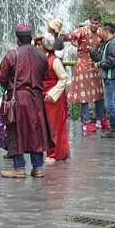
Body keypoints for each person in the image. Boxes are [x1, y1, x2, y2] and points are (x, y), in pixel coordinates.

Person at [0, 24, 52, 178]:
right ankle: (38, 168)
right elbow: (46, 75)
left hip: (18, 99)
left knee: (16, 131)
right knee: (36, 131)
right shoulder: (41, 56)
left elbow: (1, 77)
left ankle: (19, 168)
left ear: (18, 39)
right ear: (31, 37)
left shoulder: (12, 55)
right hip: (36, 98)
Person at [68, 14, 108, 134]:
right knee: (84, 93)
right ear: (89, 22)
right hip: (82, 64)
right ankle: (86, 121)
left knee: (98, 92)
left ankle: (100, 119)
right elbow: (71, 36)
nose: (94, 25)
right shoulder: (82, 30)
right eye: (92, 23)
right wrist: (74, 43)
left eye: (96, 23)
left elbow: (110, 38)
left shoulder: (101, 32)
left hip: (95, 63)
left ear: (99, 24)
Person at [41, 32, 70, 163]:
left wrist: (53, 94)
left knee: (54, 126)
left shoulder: (55, 60)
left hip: (53, 98)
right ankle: (53, 152)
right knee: (48, 125)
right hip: (45, 96)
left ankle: (55, 153)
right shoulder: (44, 59)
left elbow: (63, 78)